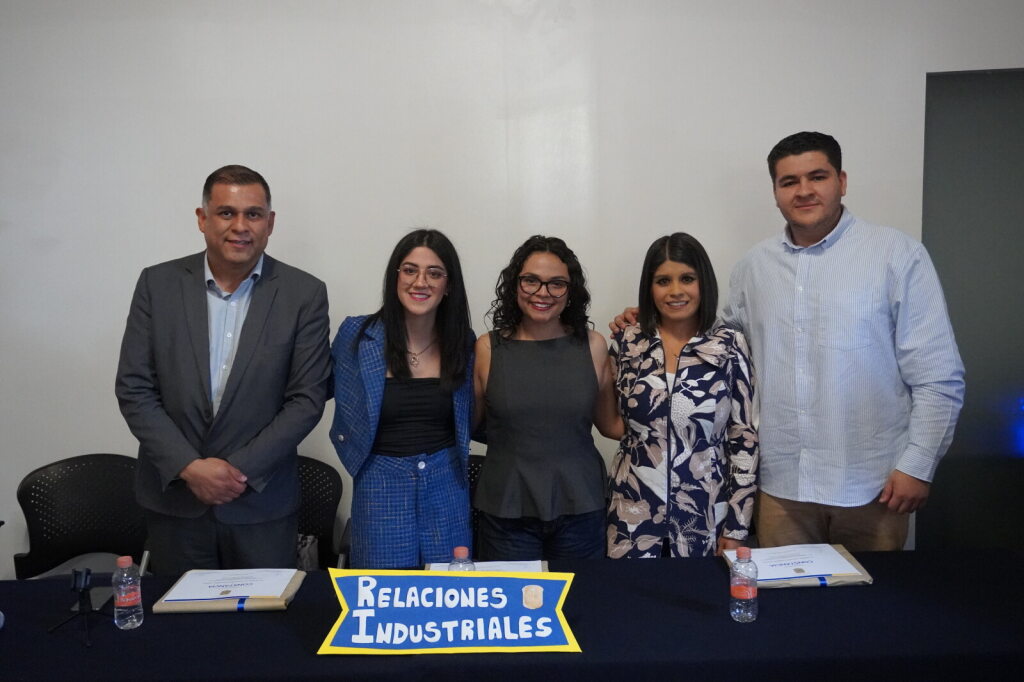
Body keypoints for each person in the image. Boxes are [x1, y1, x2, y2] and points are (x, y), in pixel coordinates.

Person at [614, 132, 965, 551]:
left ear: (842, 181)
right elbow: (712, 344)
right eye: (789, 182)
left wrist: (918, 465)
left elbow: (938, 376)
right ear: (776, 192)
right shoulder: (753, 268)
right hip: (781, 492)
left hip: (872, 486)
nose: (804, 191)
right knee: (786, 613)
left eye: (817, 177)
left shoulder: (896, 256)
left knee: (870, 609)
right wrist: (646, 321)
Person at [115, 165, 331, 573]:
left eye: (253, 214)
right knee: (181, 631)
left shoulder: (304, 294)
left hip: (260, 505)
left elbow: (306, 400)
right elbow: (134, 388)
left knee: (264, 630)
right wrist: (189, 467)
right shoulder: (157, 285)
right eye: (226, 212)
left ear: (270, 223)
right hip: (176, 502)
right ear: (202, 219)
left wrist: (237, 472)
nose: (240, 226)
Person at [607, 233, 758, 559]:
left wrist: (737, 527)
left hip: (703, 516)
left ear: (703, 282)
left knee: (698, 604)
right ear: (650, 287)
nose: (676, 291)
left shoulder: (729, 344)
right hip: (632, 514)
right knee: (631, 605)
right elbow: (612, 420)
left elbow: (743, 439)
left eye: (687, 278)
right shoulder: (628, 342)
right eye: (663, 281)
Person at [330, 229, 475, 568]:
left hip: (447, 492)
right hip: (379, 490)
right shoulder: (357, 335)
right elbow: (311, 392)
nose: (420, 282)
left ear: (449, 284)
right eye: (409, 270)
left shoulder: (465, 344)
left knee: (448, 601)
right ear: (395, 276)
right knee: (384, 601)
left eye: (434, 273)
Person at [473, 235, 622, 561]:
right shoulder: (487, 349)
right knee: (512, 610)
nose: (543, 293)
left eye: (557, 283)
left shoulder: (593, 345)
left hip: (581, 507)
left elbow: (611, 425)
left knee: (580, 606)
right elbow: (467, 425)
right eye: (531, 281)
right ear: (515, 285)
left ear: (571, 291)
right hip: (506, 512)